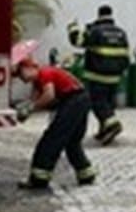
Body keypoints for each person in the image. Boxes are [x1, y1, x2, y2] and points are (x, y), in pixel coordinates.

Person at [13, 57, 96, 189]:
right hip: (81, 99)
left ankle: (39, 178)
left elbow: (49, 95)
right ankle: (86, 174)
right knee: (72, 141)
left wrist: (30, 108)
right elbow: (35, 99)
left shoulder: (45, 73)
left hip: (73, 101)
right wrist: (27, 110)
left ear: (29, 68)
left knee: (52, 140)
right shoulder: (39, 80)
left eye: (20, 73)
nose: (21, 79)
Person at [67, 4, 131, 145]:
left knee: (98, 103)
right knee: (108, 103)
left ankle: (113, 124)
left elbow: (77, 42)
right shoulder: (121, 33)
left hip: (97, 75)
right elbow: (126, 54)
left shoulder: (95, 31)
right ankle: (104, 130)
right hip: (115, 76)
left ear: (99, 15)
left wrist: (73, 28)